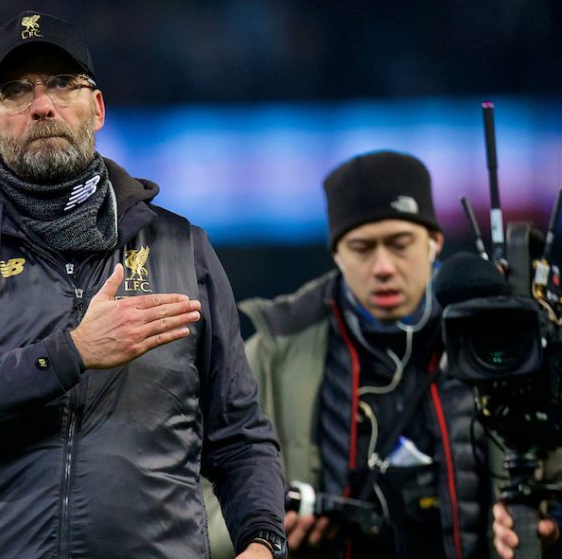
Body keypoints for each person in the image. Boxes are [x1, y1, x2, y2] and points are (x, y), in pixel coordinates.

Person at [0, 10, 287, 559]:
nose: (42, 104)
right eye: (15, 91)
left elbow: (240, 438)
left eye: (61, 83)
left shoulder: (180, 247)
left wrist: (264, 541)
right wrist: (71, 352)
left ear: (96, 108)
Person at [206, 150, 496, 558]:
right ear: (336, 253)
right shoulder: (272, 355)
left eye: (400, 244)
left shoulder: (492, 341)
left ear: (435, 243)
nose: (382, 267)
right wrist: (263, 529)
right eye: (361, 248)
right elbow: (204, 490)